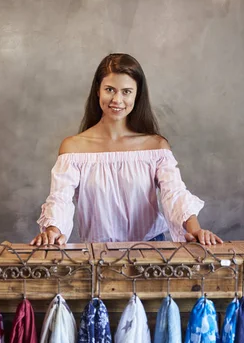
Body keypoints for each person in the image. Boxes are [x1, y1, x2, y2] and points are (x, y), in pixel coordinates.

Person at [30, 53, 222, 246]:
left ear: (137, 94)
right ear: (98, 90)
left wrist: (195, 229)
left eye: (126, 91)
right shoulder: (74, 148)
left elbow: (174, 193)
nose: (117, 100)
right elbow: (60, 198)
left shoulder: (156, 147)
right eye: (110, 89)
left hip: (151, 251)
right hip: (96, 253)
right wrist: (53, 229)